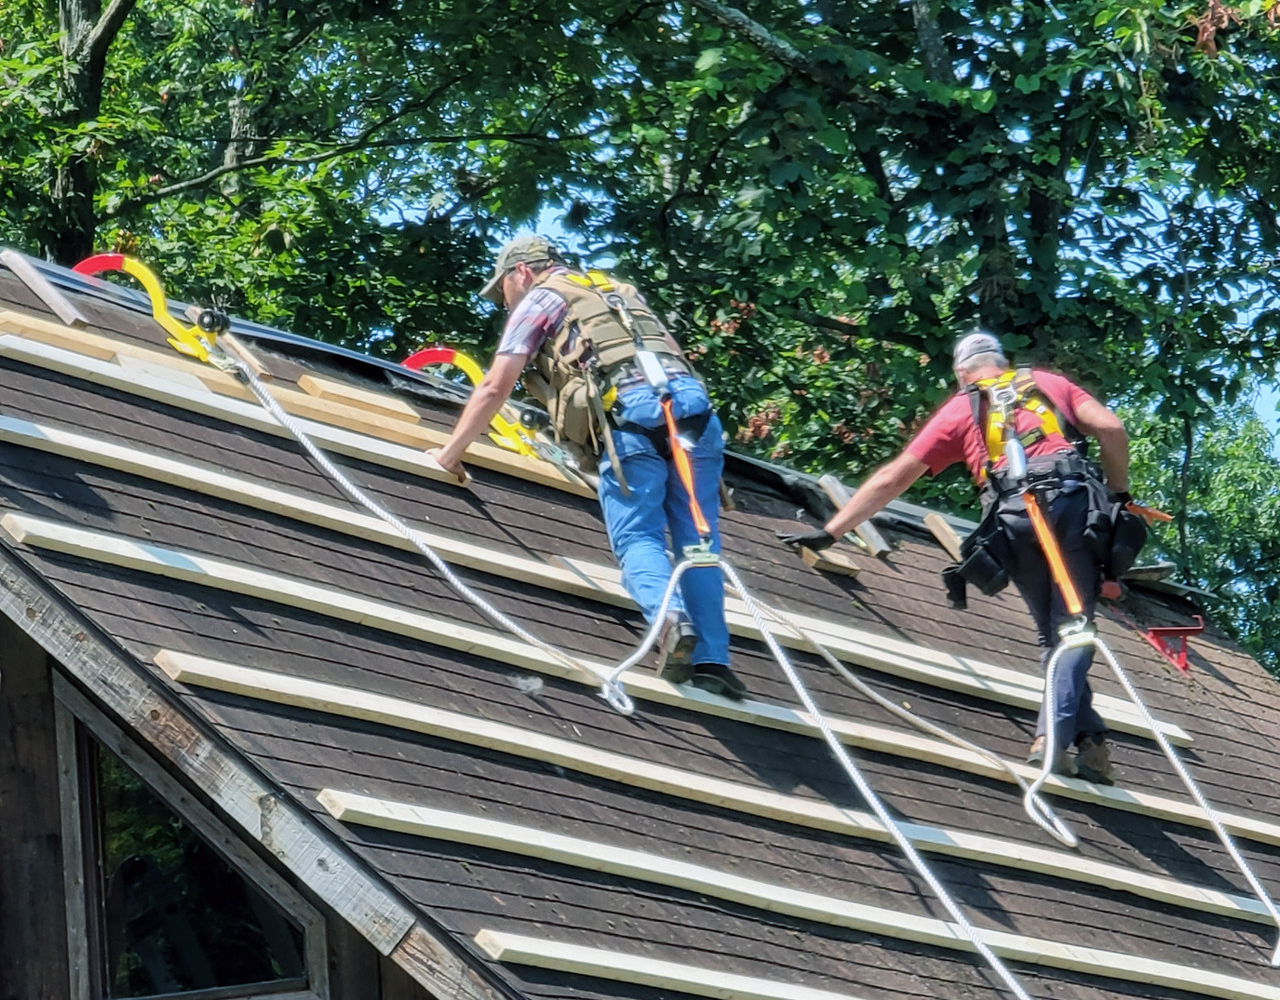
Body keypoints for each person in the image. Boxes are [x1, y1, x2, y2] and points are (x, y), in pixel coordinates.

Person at [779, 331, 1131, 783]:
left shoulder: (959, 410)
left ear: (961, 373)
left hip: (1011, 518)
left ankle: (1090, 743)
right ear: (1003, 362)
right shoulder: (1049, 383)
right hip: (1069, 508)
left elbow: (893, 478)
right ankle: (1052, 740)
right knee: (1074, 631)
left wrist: (831, 531)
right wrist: (1119, 493)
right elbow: (1111, 428)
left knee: (1055, 637)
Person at [427, 235, 747, 700]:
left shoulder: (539, 299)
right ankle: (715, 661)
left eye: (503, 292)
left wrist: (448, 454)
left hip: (632, 421)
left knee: (638, 536)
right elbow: (671, 352)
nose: (505, 303)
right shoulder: (621, 292)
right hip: (697, 421)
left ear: (523, 272)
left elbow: (495, 387)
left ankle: (669, 620)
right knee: (699, 543)